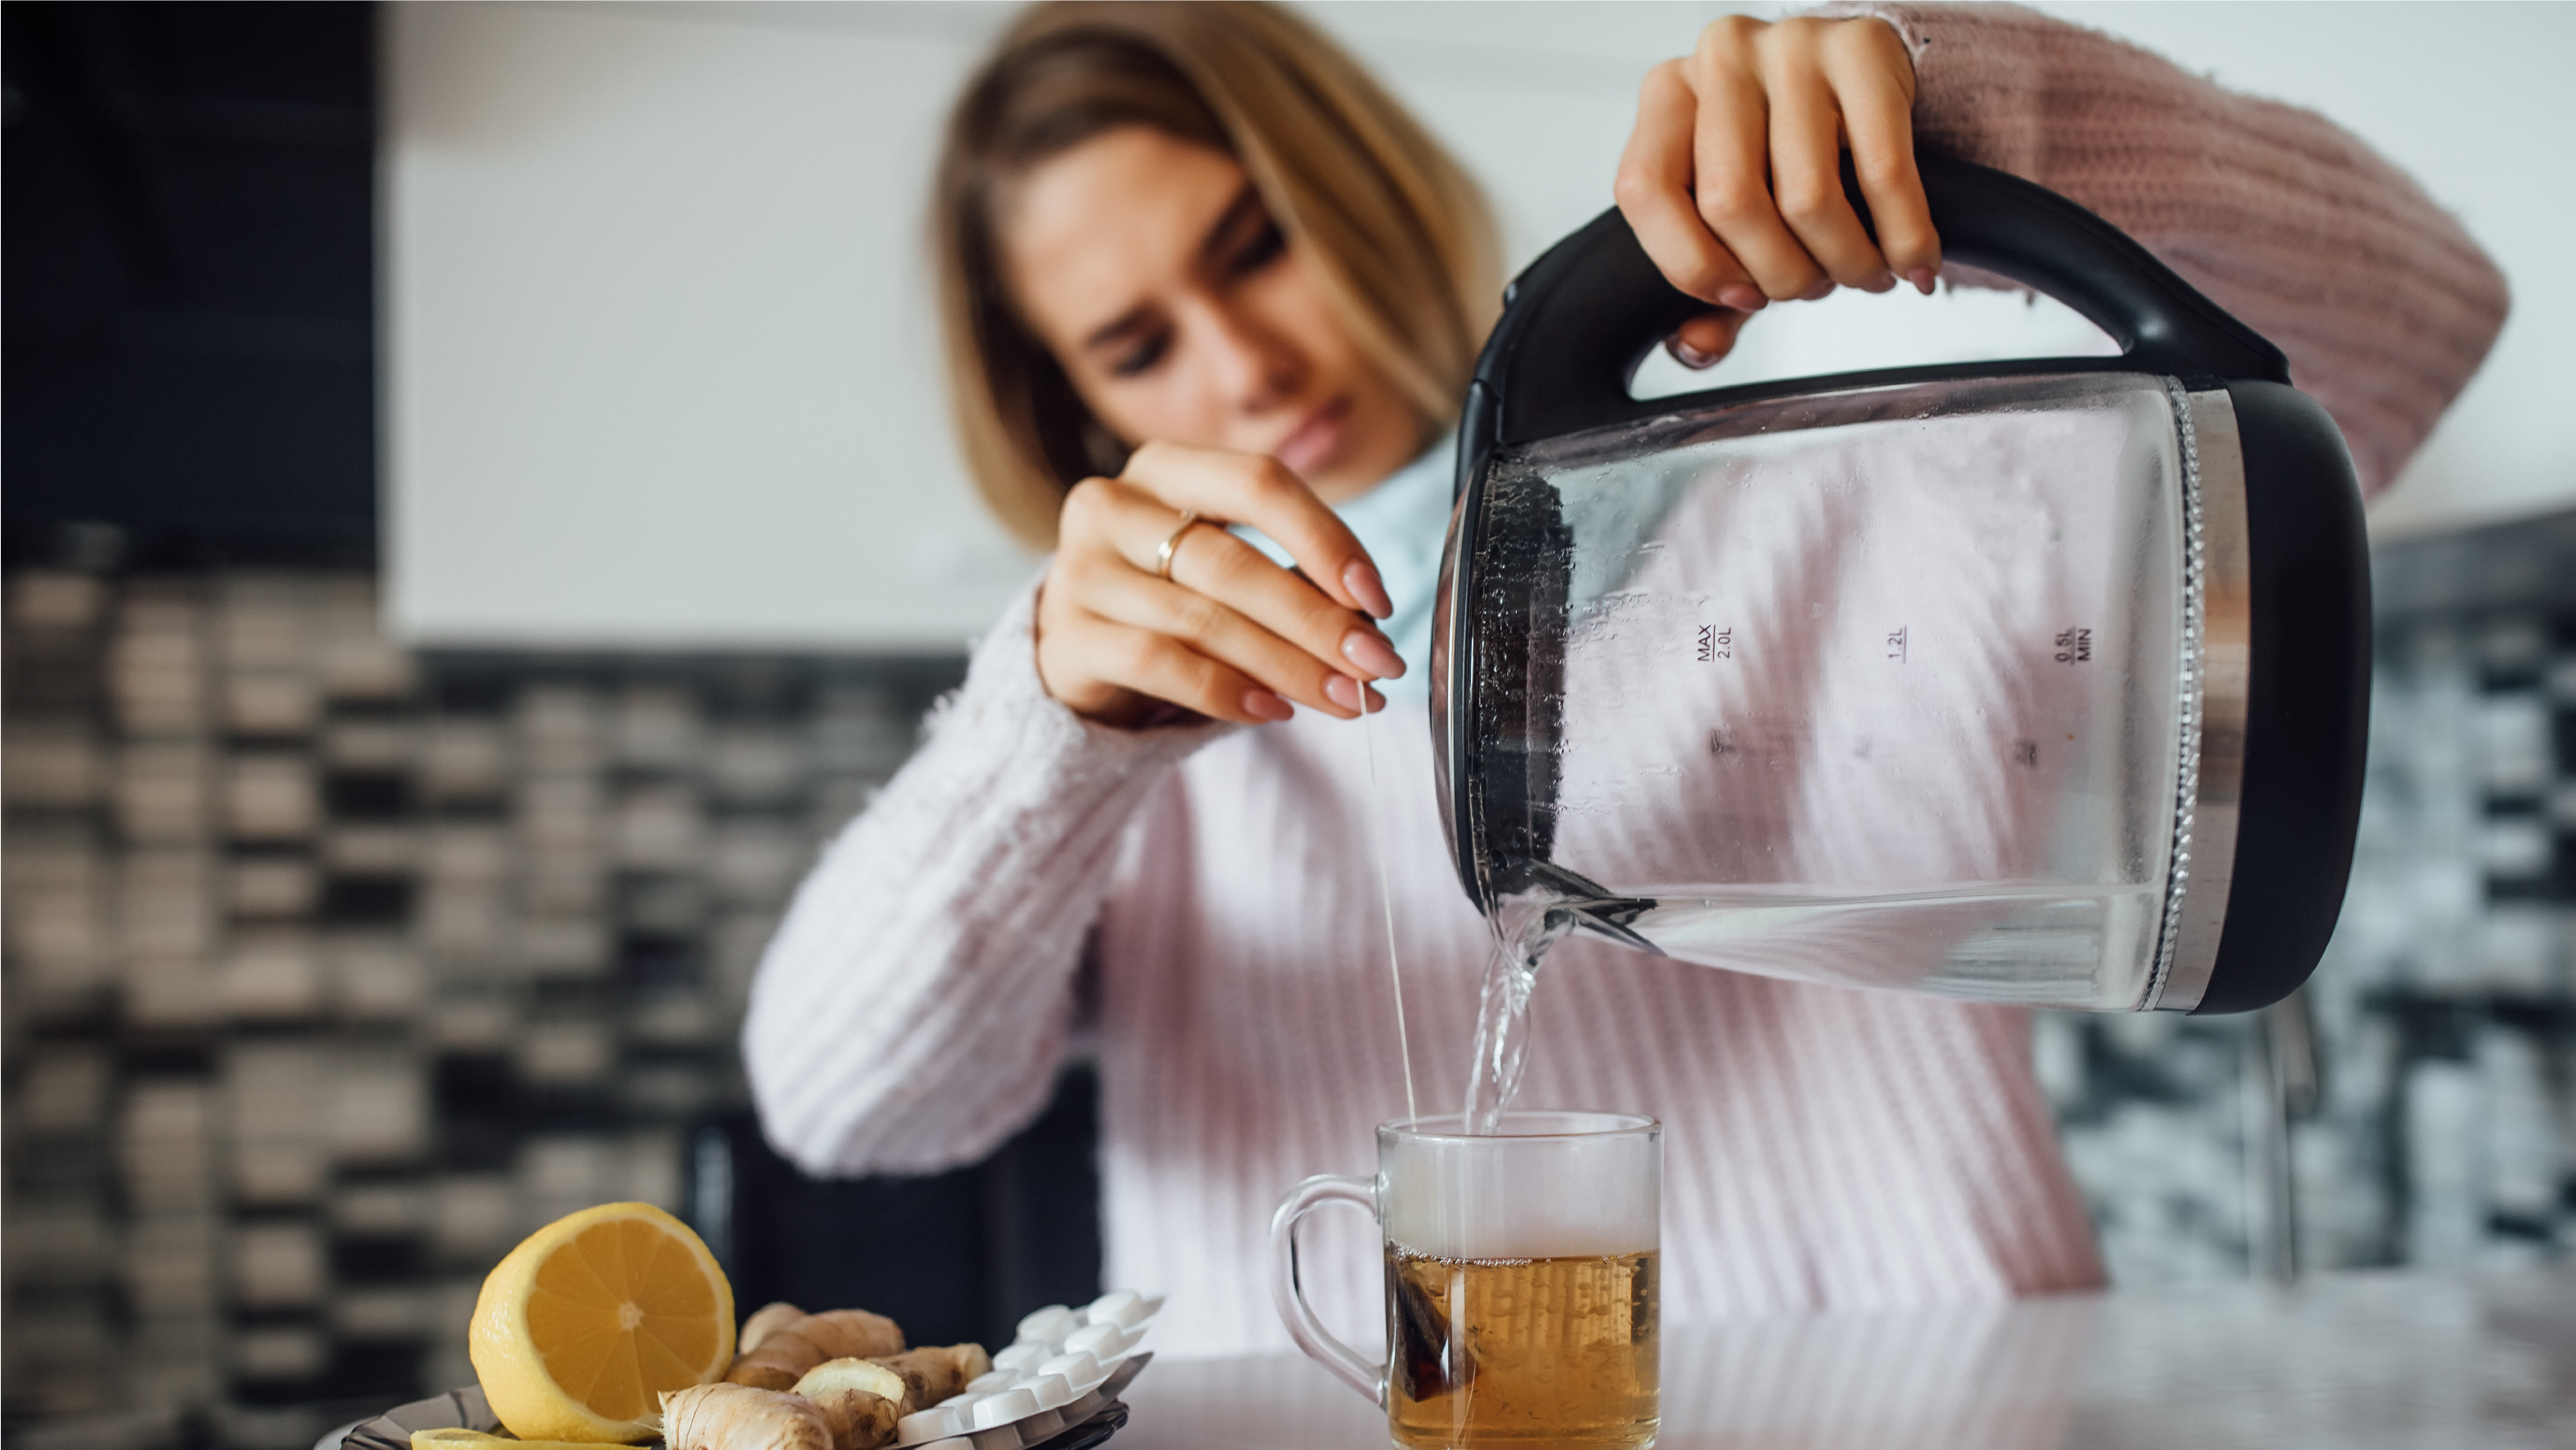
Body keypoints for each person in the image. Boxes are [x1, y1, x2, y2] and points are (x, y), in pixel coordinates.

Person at [747, 1, 2506, 1354]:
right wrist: (1049, 731)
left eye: (1256, 243)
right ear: (1078, 413)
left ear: (1356, 189)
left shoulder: (1849, 520)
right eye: (1138, 347)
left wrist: (1974, 117)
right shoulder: (1130, 730)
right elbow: (848, 1104)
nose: (1247, 360)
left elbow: (2420, 332)